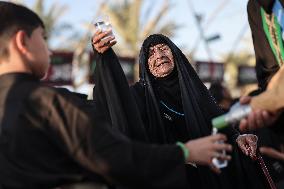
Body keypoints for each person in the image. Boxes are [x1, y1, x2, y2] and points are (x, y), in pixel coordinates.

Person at [0, 2, 235, 189]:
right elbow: (114, 139)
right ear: (22, 42)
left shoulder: (199, 94)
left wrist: (240, 133)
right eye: (44, 37)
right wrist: (185, 152)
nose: (48, 49)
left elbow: (219, 122)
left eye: (164, 48)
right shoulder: (48, 102)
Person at [92, 31, 272, 189]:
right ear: (145, 65)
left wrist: (238, 138)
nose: (159, 55)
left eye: (163, 48)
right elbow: (113, 102)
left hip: (209, 179)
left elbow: (219, 127)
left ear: (175, 54)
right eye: (151, 53)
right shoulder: (138, 96)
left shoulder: (197, 92)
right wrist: (104, 57)